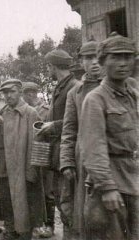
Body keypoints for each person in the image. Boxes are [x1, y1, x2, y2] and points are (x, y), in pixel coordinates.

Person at [79, 32, 139, 239]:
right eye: (116, 57)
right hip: (111, 186)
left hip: (133, 180)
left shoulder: (133, 95)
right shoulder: (95, 99)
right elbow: (93, 148)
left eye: (127, 57)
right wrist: (107, 188)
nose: (123, 63)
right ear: (103, 62)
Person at [0, 79, 44, 239]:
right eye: (5, 93)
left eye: (11, 91)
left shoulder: (30, 113)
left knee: (25, 205)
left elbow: (37, 142)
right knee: (7, 202)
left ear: (20, 92)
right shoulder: (3, 112)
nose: (8, 96)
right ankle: (9, 231)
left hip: (24, 166)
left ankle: (25, 235)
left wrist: (32, 169)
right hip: (5, 166)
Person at [59, 40, 102, 239]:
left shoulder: (119, 86)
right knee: (85, 216)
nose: (94, 62)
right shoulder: (74, 93)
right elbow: (68, 130)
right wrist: (67, 162)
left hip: (113, 158)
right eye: (88, 58)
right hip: (83, 160)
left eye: (98, 58)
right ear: (81, 62)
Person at [37, 49, 78, 239]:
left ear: (53, 66)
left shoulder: (73, 87)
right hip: (56, 153)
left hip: (68, 153)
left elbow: (78, 121)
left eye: (48, 66)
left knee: (68, 202)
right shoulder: (60, 87)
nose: (47, 70)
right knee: (61, 200)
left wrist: (53, 125)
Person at [22, 82, 54, 238]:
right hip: (29, 156)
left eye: (24, 94)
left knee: (47, 192)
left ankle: (50, 225)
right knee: (32, 191)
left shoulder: (47, 111)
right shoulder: (24, 111)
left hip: (44, 155)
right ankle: (35, 224)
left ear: (30, 94)